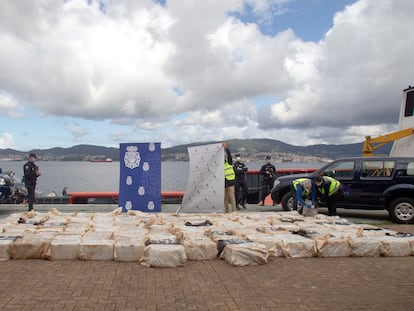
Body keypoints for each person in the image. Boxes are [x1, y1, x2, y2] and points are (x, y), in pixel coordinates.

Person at [223, 143, 237, 213]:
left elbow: (229, 155)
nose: (224, 157)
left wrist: (226, 148)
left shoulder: (229, 163)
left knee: (231, 196)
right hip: (224, 182)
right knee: (225, 197)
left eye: (224, 156)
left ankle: (234, 210)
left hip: (231, 181)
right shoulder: (219, 166)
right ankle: (226, 210)